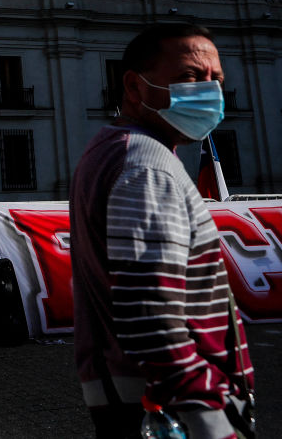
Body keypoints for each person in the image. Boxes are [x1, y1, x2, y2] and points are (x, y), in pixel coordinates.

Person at [70, 24, 254, 439]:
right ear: (135, 86)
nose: (209, 92)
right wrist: (211, 421)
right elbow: (150, 313)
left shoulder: (116, 147)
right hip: (168, 412)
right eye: (190, 77)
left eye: (216, 80)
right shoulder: (147, 168)